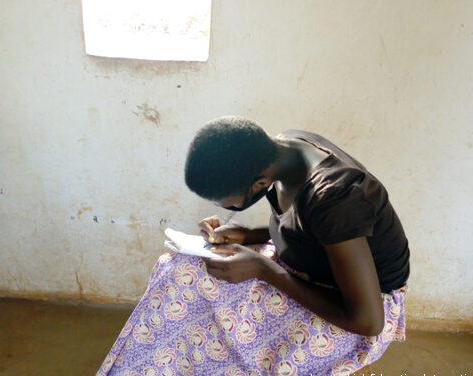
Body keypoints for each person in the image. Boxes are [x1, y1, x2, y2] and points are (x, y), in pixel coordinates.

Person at [98, 116, 410, 376]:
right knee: (178, 270)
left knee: (222, 336)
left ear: (259, 183)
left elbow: (367, 321)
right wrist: (248, 233)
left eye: (226, 201)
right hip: (306, 267)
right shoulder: (283, 149)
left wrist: (264, 269)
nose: (223, 206)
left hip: (358, 306)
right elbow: (311, 229)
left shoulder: (335, 197)